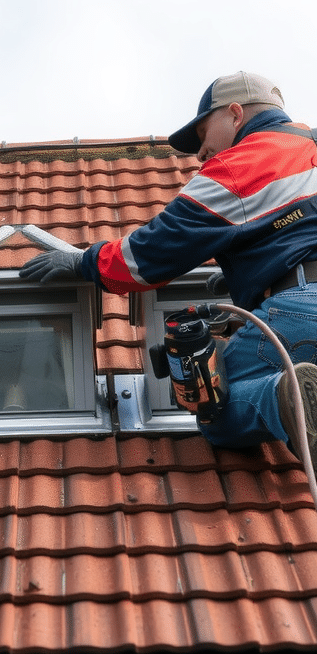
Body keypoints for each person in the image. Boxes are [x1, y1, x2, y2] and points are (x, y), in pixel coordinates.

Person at [20, 71, 317, 465]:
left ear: (235, 114)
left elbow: (150, 255)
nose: (200, 154)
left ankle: (288, 398)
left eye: (203, 135)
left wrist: (83, 261)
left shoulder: (240, 165)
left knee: (213, 404)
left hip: (301, 311)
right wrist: (249, 272)